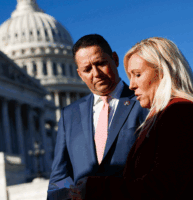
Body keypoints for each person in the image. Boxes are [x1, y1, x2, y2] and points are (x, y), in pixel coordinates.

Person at [69, 37, 193, 200]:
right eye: (130, 76)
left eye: (137, 74)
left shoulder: (181, 112)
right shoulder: (160, 118)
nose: (131, 85)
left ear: (162, 72)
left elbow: (161, 188)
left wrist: (94, 188)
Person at [47, 34, 148, 199]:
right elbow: (59, 177)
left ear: (115, 59)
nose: (96, 73)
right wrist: (68, 190)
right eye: (87, 69)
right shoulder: (69, 116)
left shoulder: (142, 101)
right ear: (80, 74)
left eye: (100, 63)